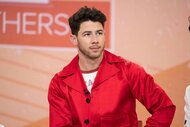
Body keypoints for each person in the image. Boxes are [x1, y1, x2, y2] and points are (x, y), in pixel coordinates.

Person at [48, 6, 176, 127]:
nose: (95, 40)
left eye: (99, 33)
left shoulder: (129, 71)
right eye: (87, 34)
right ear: (74, 39)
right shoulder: (59, 83)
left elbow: (164, 108)